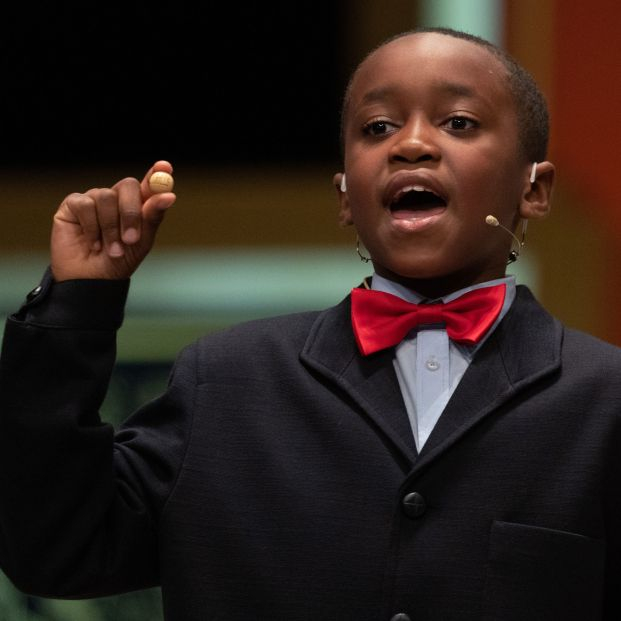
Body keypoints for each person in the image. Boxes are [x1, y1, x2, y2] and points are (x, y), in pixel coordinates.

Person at [1, 25, 620, 621]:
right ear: (346, 195)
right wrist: (77, 306)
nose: (411, 144)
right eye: (378, 127)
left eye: (458, 123)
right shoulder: (224, 382)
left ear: (534, 190)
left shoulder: (606, 399)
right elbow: (58, 551)